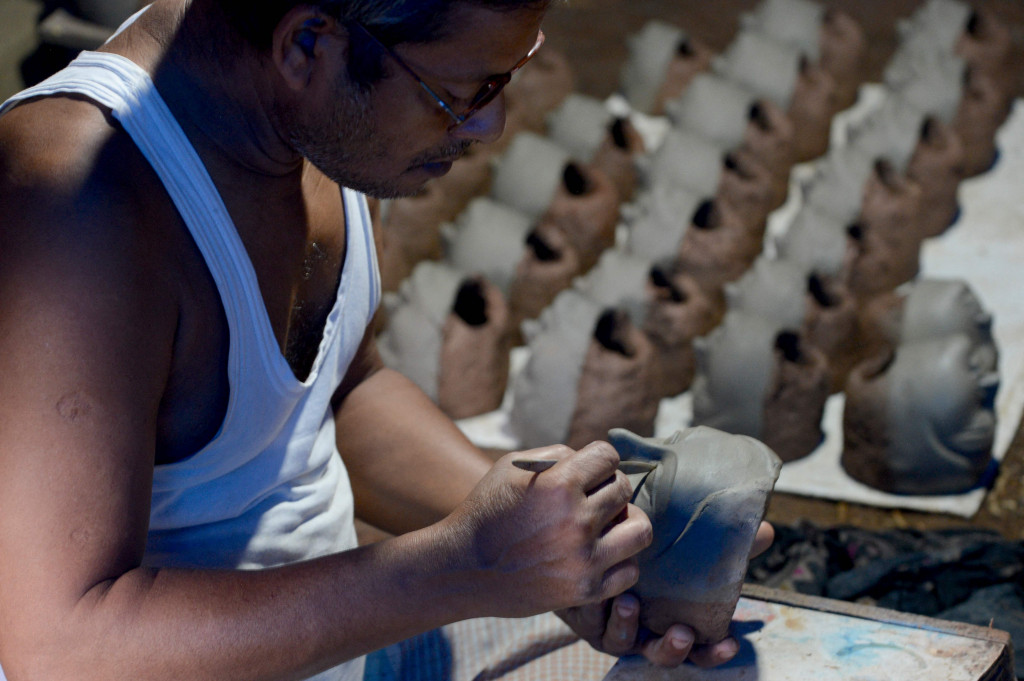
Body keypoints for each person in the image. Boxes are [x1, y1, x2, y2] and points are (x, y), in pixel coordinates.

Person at [0, 1, 772, 679]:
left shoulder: (314, 117)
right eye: (461, 93)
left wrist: (565, 540)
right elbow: (63, 648)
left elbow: (340, 392)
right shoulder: (79, 215)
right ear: (308, 43)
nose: (489, 124)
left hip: (350, 639)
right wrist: (466, 566)